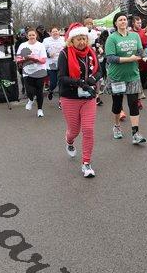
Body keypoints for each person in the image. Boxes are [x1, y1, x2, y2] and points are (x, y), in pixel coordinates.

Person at [58, 23, 101, 178]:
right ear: (71, 40)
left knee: (88, 129)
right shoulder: (64, 54)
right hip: (70, 97)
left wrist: (92, 79)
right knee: (74, 131)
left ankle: (86, 163)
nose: (82, 42)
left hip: (88, 97)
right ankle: (69, 141)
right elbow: (61, 78)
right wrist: (80, 83)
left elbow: (99, 71)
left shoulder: (91, 52)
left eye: (84, 38)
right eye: (78, 39)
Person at [104, 12, 147, 144]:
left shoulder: (135, 36)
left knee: (133, 104)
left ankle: (135, 133)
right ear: (115, 23)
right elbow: (110, 58)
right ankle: (117, 126)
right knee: (117, 105)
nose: (123, 22)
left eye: (124, 19)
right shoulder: (112, 38)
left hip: (133, 76)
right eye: (120, 20)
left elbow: (140, 52)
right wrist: (129, 59)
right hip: (117, 77)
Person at [16, 28, 48, 117]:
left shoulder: (40, 45)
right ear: (27, 36)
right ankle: (30, 99)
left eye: (33, 35)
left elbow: (43, 60)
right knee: (29, 90)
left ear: (36, 35)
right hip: (27, 71)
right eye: (29, 35)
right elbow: (18, 58)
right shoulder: (23, 45)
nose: (31, 37)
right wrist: (24, 59)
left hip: (39, 71)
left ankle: (40, 110)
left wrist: (35, 58)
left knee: (39, 92)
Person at [43, 26, 66, 103]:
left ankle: (61, 100)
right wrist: (48, 55)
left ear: (59, 31)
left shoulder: (63, 39)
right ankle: (50, 91)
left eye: (56, 31)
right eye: (53, 32)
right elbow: (42, 51)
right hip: (51, 64)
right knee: (53, 83)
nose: (55, 33)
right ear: (50, 33)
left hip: (62, 64)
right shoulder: (46, 40)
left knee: (61, 83)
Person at [94, 28, 110, 106]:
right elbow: (96, 47)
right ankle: (99, 91)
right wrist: (98, 50)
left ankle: (99, 93)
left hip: (106, 57)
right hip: (100, 57)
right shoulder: (98, 40)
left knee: (105, 72)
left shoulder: (108, 39)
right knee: (101, 72)